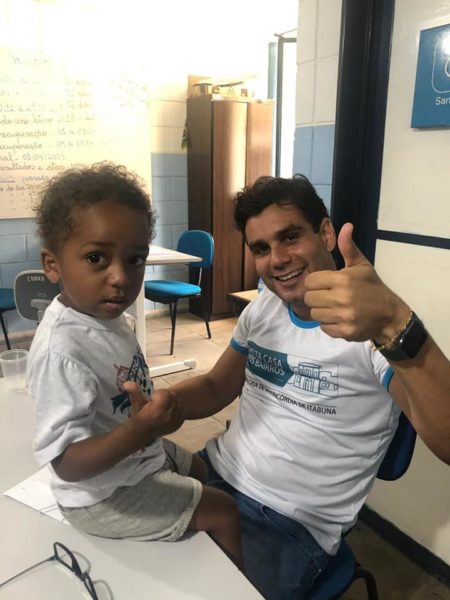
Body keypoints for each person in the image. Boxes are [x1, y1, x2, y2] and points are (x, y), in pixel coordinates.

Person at [150, 174, 448, 599]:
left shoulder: (370, 327)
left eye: (290, 237)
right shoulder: (264, 309)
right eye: (261, 248)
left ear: (325, 233)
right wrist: (164, 402)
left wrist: (393, 319)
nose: (277, 259)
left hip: (287, 523)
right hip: (212, 471)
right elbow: (217, 386)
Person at [27, 162, 243, 568]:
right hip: (100, 496)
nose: (120, 278)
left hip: (135, 454)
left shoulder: (104, 316)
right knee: (225, 512)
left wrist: (146, 425)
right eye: (96, 258)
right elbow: (67, 464)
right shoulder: (62, 350)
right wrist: (138, 431)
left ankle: (190, 536)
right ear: (53, 265)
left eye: (135, 260)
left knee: (201, 468)